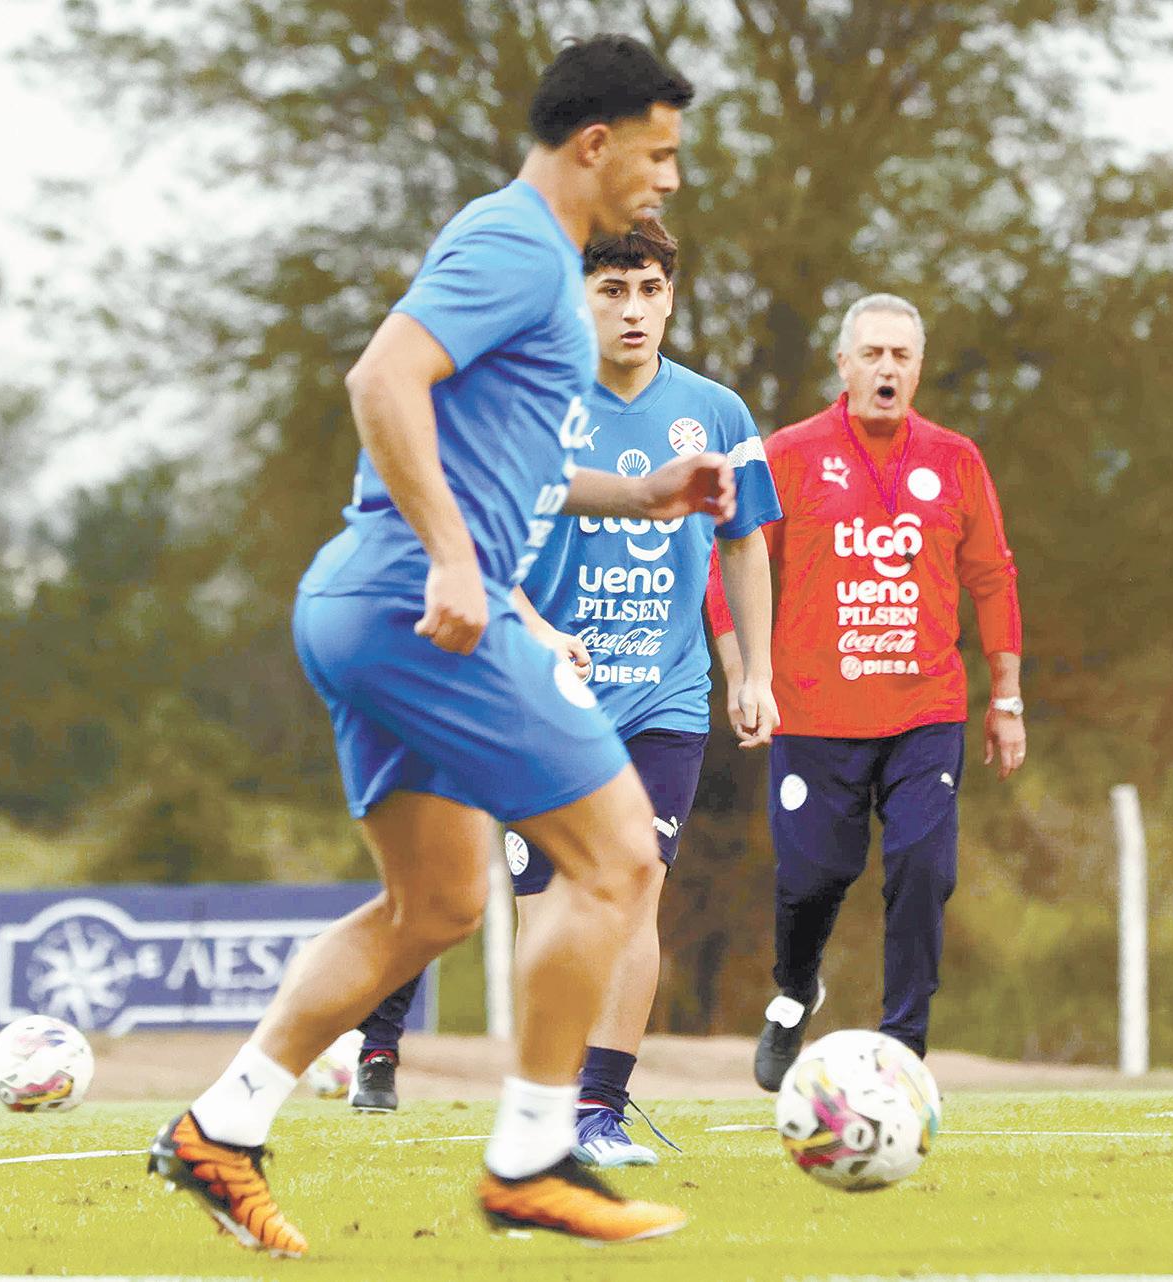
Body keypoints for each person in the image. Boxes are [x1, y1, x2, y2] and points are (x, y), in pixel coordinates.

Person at [146, 36, 732, 1254]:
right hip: (417, 603)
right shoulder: (517, 244)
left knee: (437, 903)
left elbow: (503, 457)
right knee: (620, 857)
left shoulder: (536, 258)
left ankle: (220, 1126)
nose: (671, 178)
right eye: (661, 153)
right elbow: (382, 381)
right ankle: (533, 1158)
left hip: (366, 602)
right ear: (597, 144)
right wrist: (458, 560)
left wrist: (643, 493)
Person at [347, 219, 783, 1174]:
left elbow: (745, 541)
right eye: (611, 290)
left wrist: (753, 669)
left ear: (671, 297)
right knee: (544, 909)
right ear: (578, 299)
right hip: (535, 691)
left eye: (649, 290)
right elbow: (471, 543)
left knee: (636, 886)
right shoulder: (531, 407)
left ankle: (598, 1111)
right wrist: (539, 634)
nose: (633, 310)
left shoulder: (715, 413)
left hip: (663, 695)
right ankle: (535, 1101)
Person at [708, 294, 1024, 1091]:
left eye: (901, 356)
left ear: (918, 369)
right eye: (872, 353)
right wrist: (745, 676)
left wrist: (1006, 698)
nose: (887, 368)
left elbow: (992, 578)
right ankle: (794, 993)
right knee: (811, 877)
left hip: (925, 710)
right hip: (814, 711)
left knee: (923, 866)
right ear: (843, 363)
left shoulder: (955, 459)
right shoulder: (788, 453)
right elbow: (730, 567)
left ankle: (903, 1046)